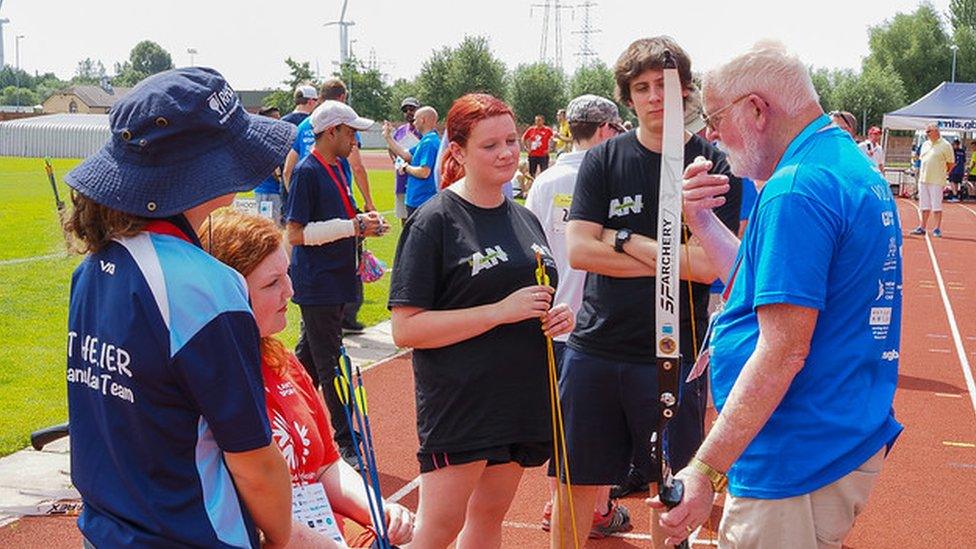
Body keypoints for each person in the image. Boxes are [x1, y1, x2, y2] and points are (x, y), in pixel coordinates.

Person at [650, 40, 903, 549]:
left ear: (758, 110)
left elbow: (783, 349)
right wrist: (700, 221)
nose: (712, 134)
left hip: (795, 449)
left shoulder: (796, 188)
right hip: (831, 429)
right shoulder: (837, 163)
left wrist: (704, 469)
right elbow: (762, 284)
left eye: (717, 116)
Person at [62, 67, 296, 548]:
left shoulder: (92, 268)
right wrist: (280, 537)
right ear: (201, 171)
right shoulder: (206, 287)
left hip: (107, 531)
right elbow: (253, 460)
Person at [554, 36, 741, 548]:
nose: (656, 96)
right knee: (574, 485)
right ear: (629, 97)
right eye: (643, 87)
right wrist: (665, 258)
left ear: (687, 91)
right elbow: (579, 252)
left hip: (672, 354)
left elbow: (707, 269)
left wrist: (623, 239)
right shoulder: (604, 159)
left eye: (666, 85)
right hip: (596, 348)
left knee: (672, 493)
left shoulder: (711, 166)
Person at [389, 93, 576, 548]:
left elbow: (528, 297)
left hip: (520, 396)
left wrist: (555, 317)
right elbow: (405, 328)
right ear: (458, 151)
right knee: (438, 529)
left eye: (511, 140)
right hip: (462, 401)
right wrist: (497, 313)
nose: (507, 152)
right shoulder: (435, 221)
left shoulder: (525, 217)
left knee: (488, 519)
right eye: (490, 145)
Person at [201, 210, 414, 548]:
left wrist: (377, 509)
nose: (290, 290)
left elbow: (326, 463)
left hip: (319, 527)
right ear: (228, 293)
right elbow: (246, 510)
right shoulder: (205, 380)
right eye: (272, 283)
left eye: (287, 273)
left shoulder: (284, 361)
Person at [525, 94, 632, 539]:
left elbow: (528, 243)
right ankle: (599, 507)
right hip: (596, 321)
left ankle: (560, 504)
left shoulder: (545, 180)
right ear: (605, 129)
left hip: (552, 318)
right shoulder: (612, 178)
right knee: (602, 423)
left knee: (564, 421)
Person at [286, 99, 390, 467]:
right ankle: (345, 441)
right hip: (318, 282)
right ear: (331, 132)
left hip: (337, 278)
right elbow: (295, 234)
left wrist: (364, 220)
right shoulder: (307, 172)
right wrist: (353, 227)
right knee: (331, 363)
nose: (355, 141)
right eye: (350, 133)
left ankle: (284, 421)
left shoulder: (338, 166)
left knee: (308, 363)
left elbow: (340, 216)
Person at [383, 106, 441, 216]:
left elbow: (424, 172)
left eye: (415, 119)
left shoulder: (429, 142)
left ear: (422, 120)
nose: (413, 123)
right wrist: (388, 137)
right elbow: (406, 155)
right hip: (418, 199)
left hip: (422, 200)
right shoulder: (426, 140)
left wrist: (406, 168)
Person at [912, 123, 954, 237]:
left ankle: (936, 228)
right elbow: (921, 160)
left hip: (936, 179)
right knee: (923, 205)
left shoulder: (946, 145)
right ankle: (922, 226)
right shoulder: (925, 144)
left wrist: (943, 173)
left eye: (928, 131)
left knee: (936, 205)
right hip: (923, 179)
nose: (927, 134)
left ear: (936, 131)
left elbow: (951, 163)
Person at [390, 97, 423, 224]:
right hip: (402, 178)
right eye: (405, 110)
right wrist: (395, 161)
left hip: (419, 179)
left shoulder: (424, 130)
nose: (409, 112)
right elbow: (391, 148)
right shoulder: (400, 131)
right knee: (404, 218)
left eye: (412, 109)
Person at [255, 108, 287, 225]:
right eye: (276, 118)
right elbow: (274, 168)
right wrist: (283, 181)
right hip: (268, 193)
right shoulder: (266, 141)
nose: (280, 121)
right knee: (270, 228)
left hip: (269, 192)